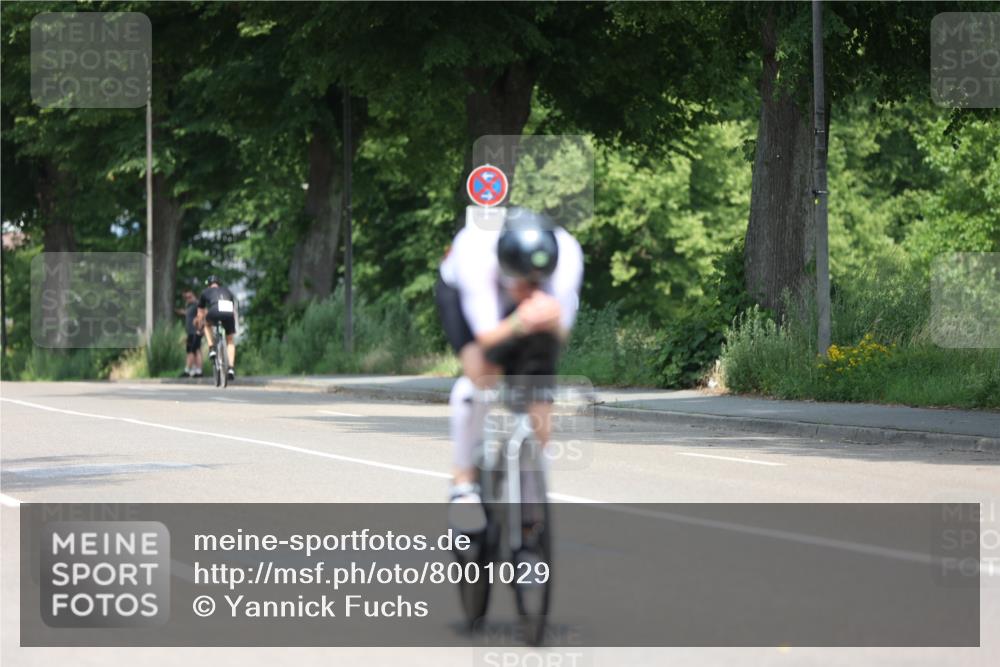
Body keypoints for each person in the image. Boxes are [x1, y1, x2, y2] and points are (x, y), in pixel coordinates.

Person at [436, 207, 584, 524]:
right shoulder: (475, 254)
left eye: (536, 283)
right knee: (481, 375)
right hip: (464, 295)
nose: (527, 290)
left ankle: (533, 492)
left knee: (540, 393)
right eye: (521, 283)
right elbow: (487, 337)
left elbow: (561, 333)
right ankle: (462, 485)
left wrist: (548, 318)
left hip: (530, 308)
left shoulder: (568, 255)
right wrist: (519, 319)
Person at [195, 275, 238, 382]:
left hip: (215, 309)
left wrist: (200, 326)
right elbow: (233, 306)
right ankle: (231, 368)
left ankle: (212, 348)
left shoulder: (205, 292)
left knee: (207, 324)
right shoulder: (227, 290)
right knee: (230, 340)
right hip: (229, 311)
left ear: (209, 284)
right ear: (219, 283)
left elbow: (200, 313)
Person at [178, 289, 203, 378]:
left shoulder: (197, 304)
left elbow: (202, 314)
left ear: (194, 295)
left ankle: (190, 370)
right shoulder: (190, 306)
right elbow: (189, 314)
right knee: (193, 351)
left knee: (193, 351)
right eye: (186, 297)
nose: (188, 299)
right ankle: (196, 370)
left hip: (195, 332)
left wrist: (199, 328)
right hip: (190, 332)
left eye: (189, 297)